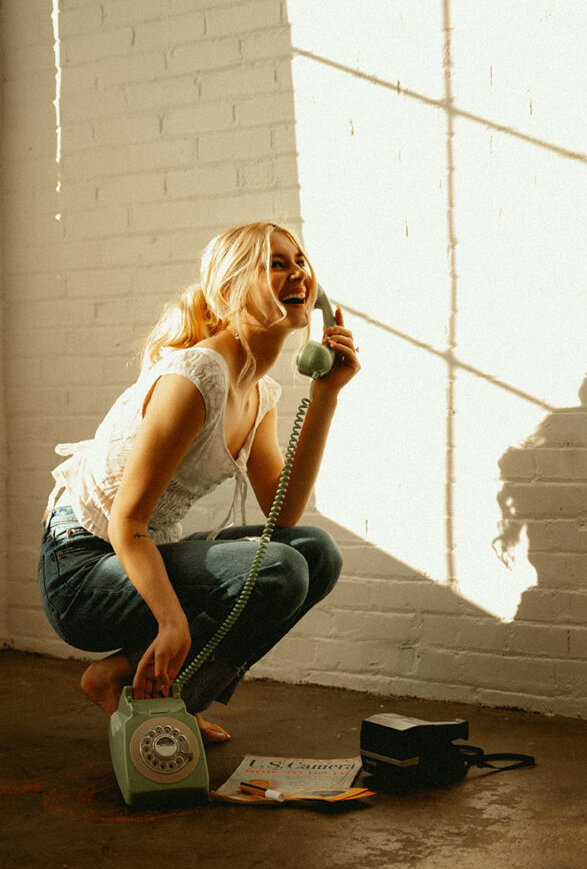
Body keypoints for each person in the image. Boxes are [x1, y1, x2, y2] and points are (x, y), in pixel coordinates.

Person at [38, 221, 359, 742]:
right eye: (276, 263)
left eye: (300, 261)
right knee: (278, 569)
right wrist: (171, 622)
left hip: (139, 551)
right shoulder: (197, 376)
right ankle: (156, 706)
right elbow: (127, 521)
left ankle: (151, 696)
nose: (298, 272)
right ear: (232, 290)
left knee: (316, 552)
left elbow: (286, 511)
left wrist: (327, 394)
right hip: (83, 570)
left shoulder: (259, 393)